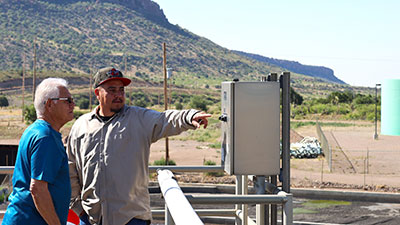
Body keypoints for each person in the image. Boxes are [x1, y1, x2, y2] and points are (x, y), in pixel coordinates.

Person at [67, 67, 211, 225]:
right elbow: (70, 168)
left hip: (131, 219)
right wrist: (78, 207)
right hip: (90, 219)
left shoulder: (139, 119)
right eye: (112, 90)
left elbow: (165, 119)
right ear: (97, 93)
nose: (118, 95)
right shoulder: (81, 126)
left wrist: (190, 116)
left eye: (121, 90)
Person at [3, 78, 75, 225]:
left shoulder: (36, 130)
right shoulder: (46, 137)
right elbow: (38, 189)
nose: (73, 104)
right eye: (67, 100)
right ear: (49, 104)